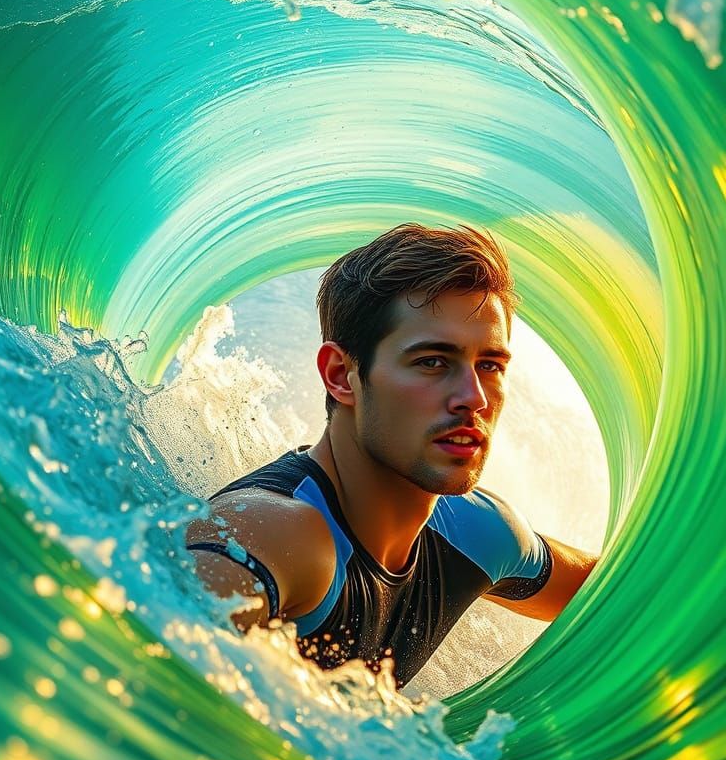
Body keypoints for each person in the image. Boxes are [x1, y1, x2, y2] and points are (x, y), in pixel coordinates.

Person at [186, 223, 599, 688]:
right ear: (341, 375)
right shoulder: (275, 532)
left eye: (489, 365)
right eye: (432, 362)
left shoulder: (478, 532)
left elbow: (625, 597)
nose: (474, 397)